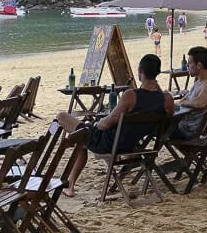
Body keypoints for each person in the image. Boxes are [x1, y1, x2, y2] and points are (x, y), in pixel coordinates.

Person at [56, 54, 174, 196]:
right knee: (81, 141)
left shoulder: (131, 95)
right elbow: (168, 113)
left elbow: (107, 123)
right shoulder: (166, 99)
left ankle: (70, 186)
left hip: (109, 143)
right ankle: (70, 184)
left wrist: (94, 125)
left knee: (62, 117)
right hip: (132, 144)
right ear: (158, 73)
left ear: (140, 72)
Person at [173, 46, 207, 140]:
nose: (187, 66)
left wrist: (183, 102)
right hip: (184, 126)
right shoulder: (199, 82)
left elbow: (199, 103)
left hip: (188, 131)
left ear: (199, 65)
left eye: (189, 63)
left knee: (152, 126)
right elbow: (186, 100)